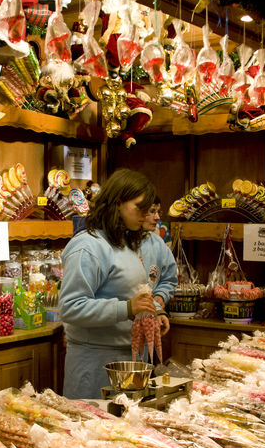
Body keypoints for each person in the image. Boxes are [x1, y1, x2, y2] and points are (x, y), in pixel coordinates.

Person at [58, 168, 159, 399]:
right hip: (95, 364)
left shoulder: (123, 241)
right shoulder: (88, 246)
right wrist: (126, 309)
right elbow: (71, 307)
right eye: (140, 208)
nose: (145, 215)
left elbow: (129, 292)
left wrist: (151, 311)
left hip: (127, 360)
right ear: (117, 203)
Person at [139, 197, 177, 344]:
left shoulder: (157, 243)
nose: (158, 217)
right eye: (152, 211)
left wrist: (161, 295)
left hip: (149, 324)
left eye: (158, 211)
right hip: (119, 330)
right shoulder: (115, 243)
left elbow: (169, 278)